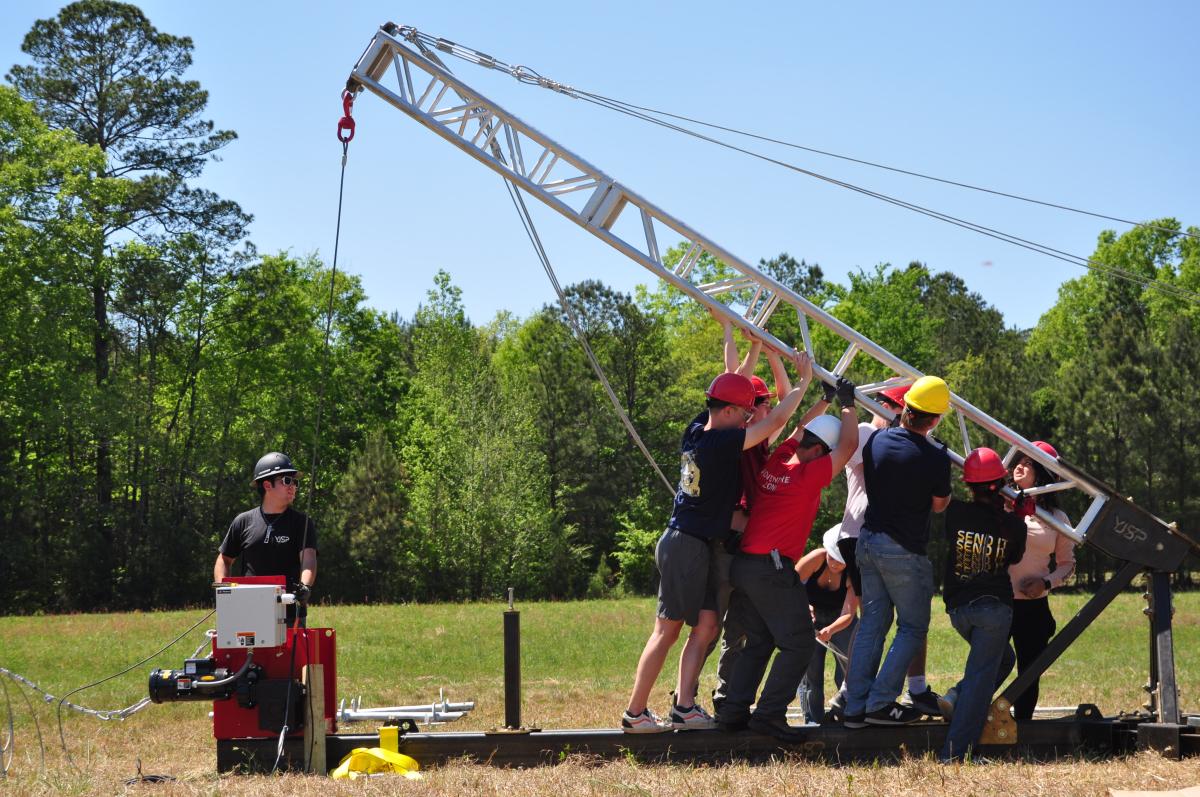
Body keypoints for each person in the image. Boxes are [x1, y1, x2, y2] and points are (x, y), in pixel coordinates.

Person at [622, 354, 809, 733]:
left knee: (707, 625)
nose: (747, 418)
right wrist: (803, 382)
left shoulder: (697, 427)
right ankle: (635, 712)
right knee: (667, 631)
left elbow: (731, 380)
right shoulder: (721, 442)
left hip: (701, 544)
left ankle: (685, 707)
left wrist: (753, 349)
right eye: (743, 412)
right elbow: (776, 421)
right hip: (685, 544)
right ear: (726, 412)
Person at [714, 375, 859, 741]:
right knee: (798, 643)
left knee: (760, 641)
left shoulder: (780, 458)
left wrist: (825, 401)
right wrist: (848, 404)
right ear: (821, 452)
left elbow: (797, 428)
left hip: (747, 564)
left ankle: (733, 710)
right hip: (772, 569)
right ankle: (769, 714)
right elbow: (849, 445)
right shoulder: (808, 474)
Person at [826, 382, 944, 720]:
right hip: (870, 537)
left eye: (889, 404)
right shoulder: (869, 434)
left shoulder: (883, 439)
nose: (885, 409)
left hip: (869, 537)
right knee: (904, 624)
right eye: (881, 403)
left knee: (874, 621)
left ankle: (855, 699)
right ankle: (870, 698)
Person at [707, 315, 791, 712]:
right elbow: (732, 375)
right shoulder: (731, 435)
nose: (766, 409)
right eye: (761, 405)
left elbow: (784, 403)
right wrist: (745, 343)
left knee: (739, 625)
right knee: (712, 626)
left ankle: (727, 695)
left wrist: (768, 352)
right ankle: (698, 694)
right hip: (730, 539)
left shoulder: (756, 439)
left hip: (750, 542)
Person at [936, 447, 1028, 762]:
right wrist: (1016, 514)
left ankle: (955, 696)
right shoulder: (1014, 526)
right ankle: (955, 754)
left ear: (969, 485)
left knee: (1004, 660)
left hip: (959, 610)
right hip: (994, 610)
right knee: (980, 682)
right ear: (1001, 483)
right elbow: (1014, 557)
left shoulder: (956, 513)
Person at [1005, 441, 1076, 721]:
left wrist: (1045, 584)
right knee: (989, 664)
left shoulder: (1058, 518)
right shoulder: (1002, 502)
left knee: (1029, 671)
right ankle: (974, 714)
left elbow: (1067, 565)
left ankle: (1022, 727)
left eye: (1030, 463)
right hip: (998, 602)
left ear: (1045, 476)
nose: (1020, 466)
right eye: (1020, 460)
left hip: (1032, 608)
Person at [214, 452, 318, 626]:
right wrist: (223, 591)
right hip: (247, 612)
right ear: (267, 484)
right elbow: (224, 559)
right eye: (287, 480)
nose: (293, 486)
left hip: (290, 614)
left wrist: (304, 586)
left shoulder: (302, 522)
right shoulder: (243, 521)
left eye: (295, 481)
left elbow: (308, 561)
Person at [795, 526, 859, 724]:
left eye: (841, 561)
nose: (835, 564)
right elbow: (789, 585)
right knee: (812, 673)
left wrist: (831, 630)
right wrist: (804, 606)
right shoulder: (816, 557)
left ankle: (845, 712)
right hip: (811, 621)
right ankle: (813, 720)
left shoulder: (853, 573)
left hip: (841, 622)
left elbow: (849, 613)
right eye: (832, 557)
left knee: (847, 669)